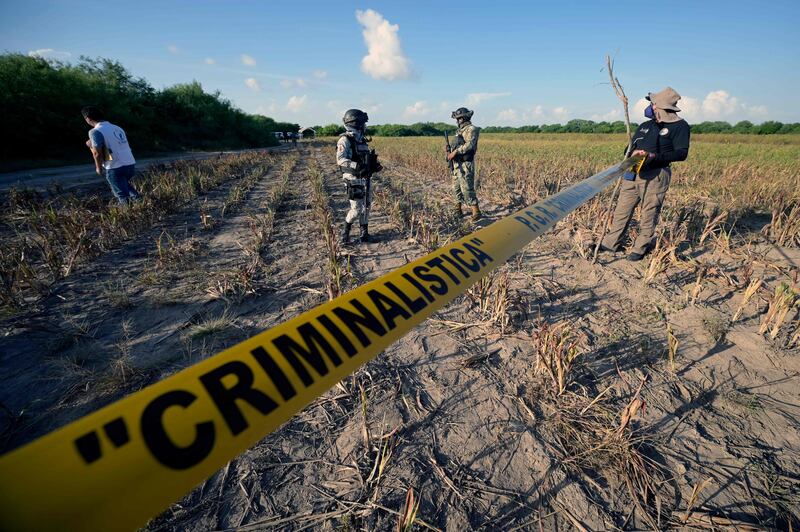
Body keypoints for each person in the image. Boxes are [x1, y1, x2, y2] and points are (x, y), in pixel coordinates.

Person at [599, 87, 691, 261]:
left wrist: (654, 156)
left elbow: (682, 154)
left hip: (656, 175)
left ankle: (640, 248)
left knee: (649, 212)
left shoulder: (680, 126)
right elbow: (629, 147)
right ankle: (610, 243)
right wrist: (631, 152)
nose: (650, 106)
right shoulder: (645, 125)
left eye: (653, 103)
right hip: (633, 172)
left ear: (660, 106)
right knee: (622, 210)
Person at [337, 109, 381, 244]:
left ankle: (364, 234)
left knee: (367, 206)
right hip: (352, 178)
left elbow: (365, 158)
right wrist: (357, 166)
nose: (365, 126)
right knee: (356, 209)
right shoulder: (345, 139)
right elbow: (340, 159)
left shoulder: (361, 140)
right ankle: (345, 233)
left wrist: (373, 165)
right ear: (357, 123)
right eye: (363, 123)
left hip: (365, 178)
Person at [82, 106, 140, 204]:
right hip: (130, 164)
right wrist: (91, 143)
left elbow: (97, 153)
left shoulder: (94, 131)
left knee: (122, 196)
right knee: (125, 186)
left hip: (115, 166)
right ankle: (140, 202)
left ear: (88, 118)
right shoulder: (117, 128)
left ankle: (128, 215)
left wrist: (98, 168)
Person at [446, 107, 481, 221]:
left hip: (466, 163)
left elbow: (470, 145)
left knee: (467, 188)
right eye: (457, 118)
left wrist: (455, 151)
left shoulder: (472, 129)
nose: (458, 121)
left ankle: (476, 211)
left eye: (459, 118)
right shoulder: (459, 131)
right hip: (457, 163)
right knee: (456, 188)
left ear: (465, 117)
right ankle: (458, 210)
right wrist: (449, 150)